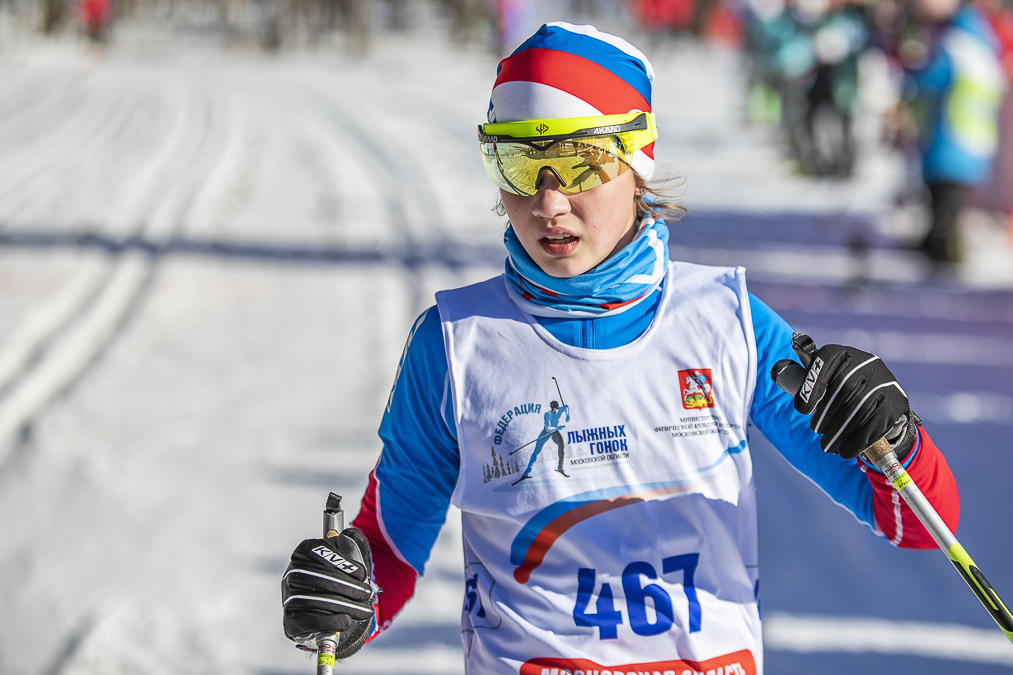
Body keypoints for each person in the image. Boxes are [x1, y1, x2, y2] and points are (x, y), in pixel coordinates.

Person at [280, 22, 960, 673]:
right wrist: (345, 591)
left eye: (580, 164)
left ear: (637, 164)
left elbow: (917, 523)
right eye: (519, 162)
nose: (547, 203)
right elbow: (388, 551)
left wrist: (892, 439)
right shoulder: (454, 345)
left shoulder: (727, 323)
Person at [903, 0, 1006, 264]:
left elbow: (932, 77)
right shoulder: (980, 37)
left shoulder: (955, 41)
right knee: (951, 199)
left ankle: (945, 250)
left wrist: (912, 70)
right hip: (973, 131)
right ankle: (941, 244)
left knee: (944, 199)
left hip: (951, 131)